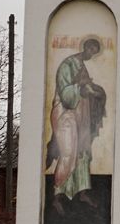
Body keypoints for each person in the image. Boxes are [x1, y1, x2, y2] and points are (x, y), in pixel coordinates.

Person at [46, 37, 107, 209]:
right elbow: (65, 93)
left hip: (81, 114)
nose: (91, 55)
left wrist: (96, 93)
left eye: (94, 52)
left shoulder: (83, 67)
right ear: (85, 47)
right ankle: (57, 194)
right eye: (90, 50)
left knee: (83, 152)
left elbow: (86, 89)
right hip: (65, 113)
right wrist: (79, 87)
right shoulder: (68, 65)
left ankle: (82, 192)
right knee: (68, 152)